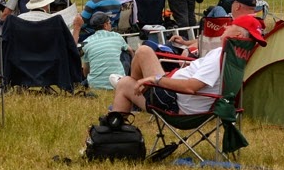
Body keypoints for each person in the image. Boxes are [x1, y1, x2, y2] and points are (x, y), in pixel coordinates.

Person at [104, 16, 264, 122]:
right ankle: (136, 95)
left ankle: (116, 127)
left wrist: (156, 79)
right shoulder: (235, 58)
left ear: (237, 35)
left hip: (176, 103)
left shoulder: (219, 57)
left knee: (127, 80)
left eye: (231, 26)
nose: (226, 27)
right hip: (180, 95)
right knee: (143, 54)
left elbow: (191, 87)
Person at [82, 12, 127, 90]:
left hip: (94, 85)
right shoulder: (116, 36)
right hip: (118, 84)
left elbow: (85, 70)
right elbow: (130, 50)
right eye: (110, 23)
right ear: (105, 25)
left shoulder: (86, 42)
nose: (111, 25)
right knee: (125, 53)